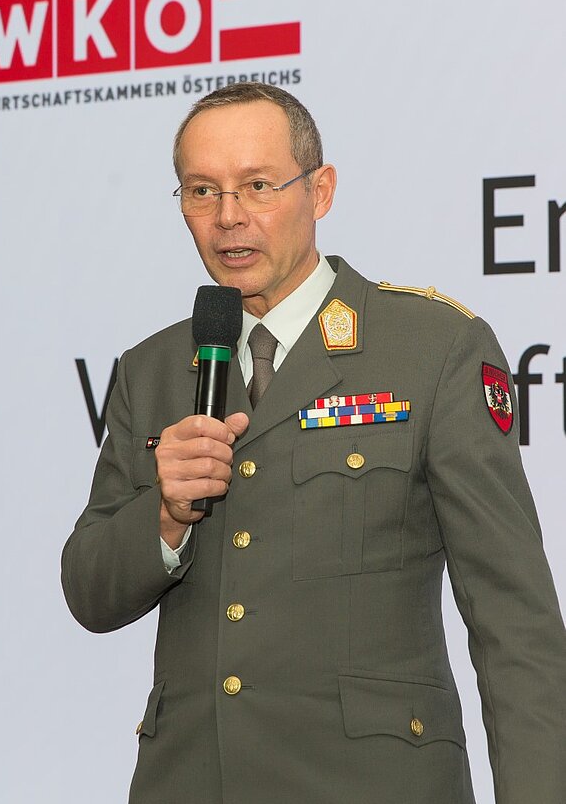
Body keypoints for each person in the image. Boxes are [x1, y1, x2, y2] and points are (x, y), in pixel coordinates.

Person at [61, 82, 566, 804]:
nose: (228, 217)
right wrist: (166, 516)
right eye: (201, 191)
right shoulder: (153, 369)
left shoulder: (433, 348)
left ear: (320, 190)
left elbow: (515, 626)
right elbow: (88, 590)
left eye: (257, 185)